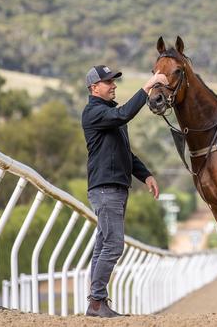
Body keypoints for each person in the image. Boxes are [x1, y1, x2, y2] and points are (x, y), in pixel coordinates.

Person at [81, 65, 166, 317]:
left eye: (113, 81)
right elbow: (124, 114)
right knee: (114, 245)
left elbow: (124, 153)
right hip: (105, 190)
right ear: (94, 88)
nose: (113, 85)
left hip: (114, 188)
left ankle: (96, 303)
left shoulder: (108, 113)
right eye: (108, 82)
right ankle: (97, 302)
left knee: (103, 245)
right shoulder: (93, 112)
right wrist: (149, 84)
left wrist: (146, 175)